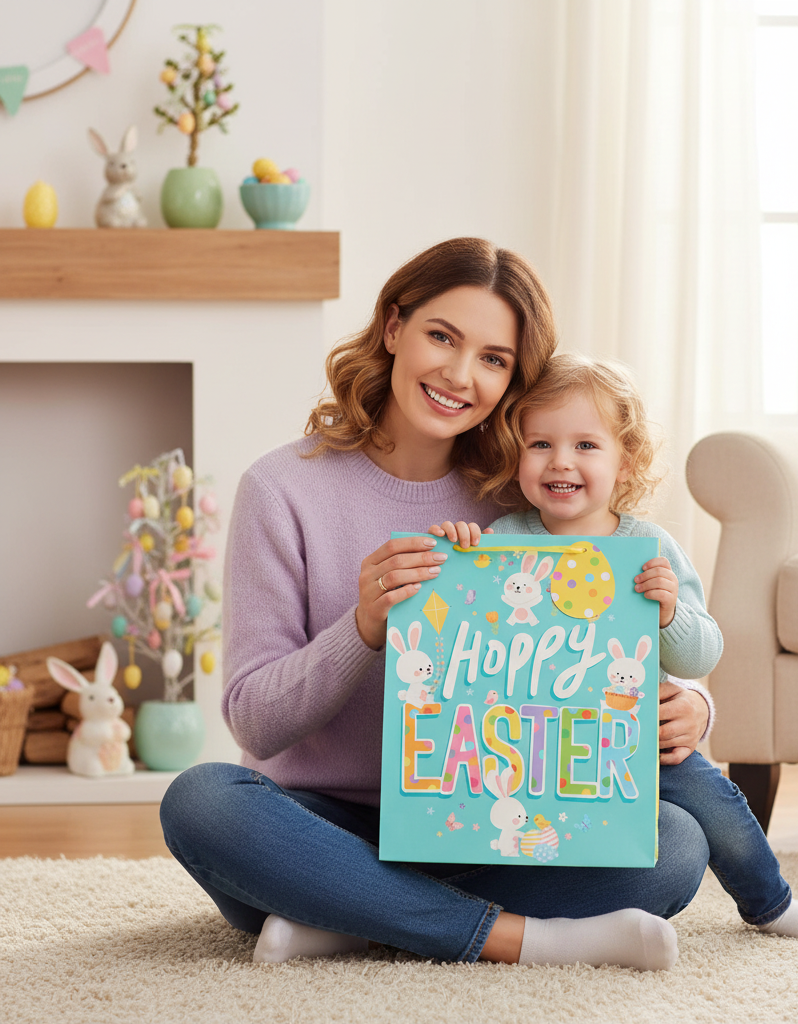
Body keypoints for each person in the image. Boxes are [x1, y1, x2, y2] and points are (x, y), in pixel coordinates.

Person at [159, 238, 714, 973]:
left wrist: (695, 705)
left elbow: (621, 625)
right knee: (202, 803)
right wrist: (360, 628)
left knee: (676, 845)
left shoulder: (525, 495)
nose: (459, 375)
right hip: (322, 824)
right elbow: (255, 719)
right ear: (394, 329)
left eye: (494, 358)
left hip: (484, 826)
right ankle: (517, 938)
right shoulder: (281, 489)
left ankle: (350, 917)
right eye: (441, 337)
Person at [433, 352, 798, 944]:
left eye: (586, 445)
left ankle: (770, 903)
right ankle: (490, 906)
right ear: (517, 455)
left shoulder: (649, 546)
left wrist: (670, 612)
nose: (561, 461)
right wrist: (459, 556)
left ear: (626, 463)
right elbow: (467, 635)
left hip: (634, 735)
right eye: (540, 444)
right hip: (531, 743)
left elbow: (701, 656)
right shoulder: (502, 539)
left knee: (716, 799)